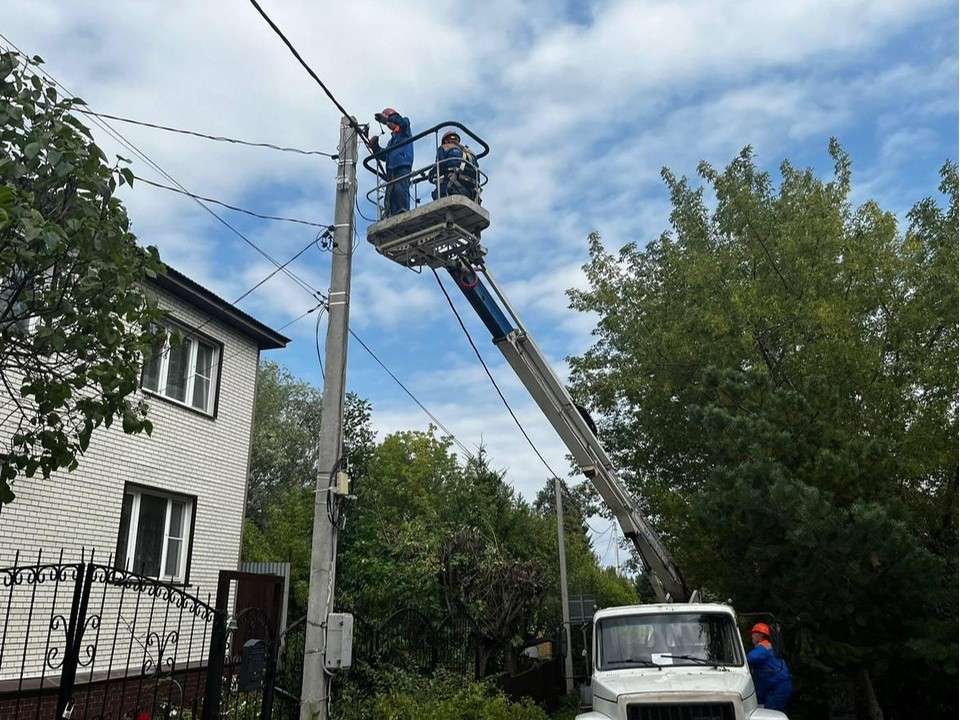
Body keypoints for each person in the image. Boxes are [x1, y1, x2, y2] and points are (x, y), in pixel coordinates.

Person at [368, 107, 413, 216]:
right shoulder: (391, 142)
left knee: (400, 189)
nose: (388, 125)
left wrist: (387, 118)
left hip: (402, 165)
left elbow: (402, 122)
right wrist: (375, 146)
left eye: (388, 122)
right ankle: (391, 214)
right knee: (390, 194)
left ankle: (403, 210)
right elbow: (384, 156)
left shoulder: (405, 130)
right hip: (391, 170)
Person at [747, 622, 793, 711]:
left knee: (769, 714)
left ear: (758, 635)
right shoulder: (769, 646)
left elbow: (748, 659)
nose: (751, 637)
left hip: (778, 689)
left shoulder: (763, 648)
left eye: (753, 634)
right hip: (775, 687)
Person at [427, 130, 479, 201]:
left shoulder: (444, 147)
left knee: (436, 193)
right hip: (472, 193)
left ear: (445, 140)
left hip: (453, 187)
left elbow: (439, 167)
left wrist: (430, 175)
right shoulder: (471, 154)